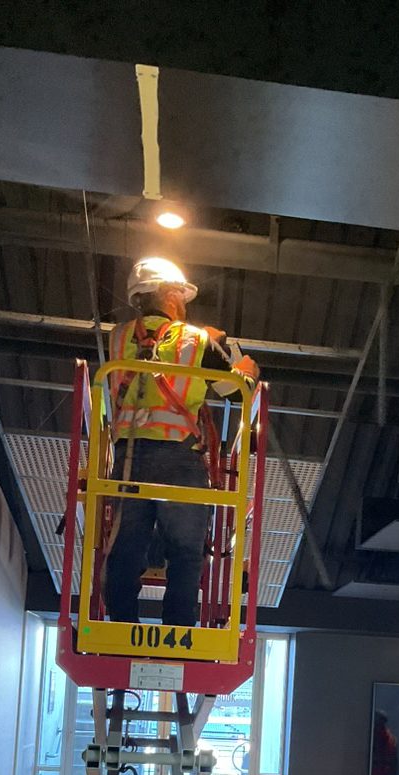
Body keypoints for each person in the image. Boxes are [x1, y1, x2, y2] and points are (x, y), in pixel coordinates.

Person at [105, 256, 259, 627]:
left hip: (128, 456)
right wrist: (246, 370)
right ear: (169, 292)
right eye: (182, 295)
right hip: (177, 459)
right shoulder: (195, 339)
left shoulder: (119, 336)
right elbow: (236, 392)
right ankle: (178, 630)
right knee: (187, 551)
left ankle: (121, 626)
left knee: (125, 548)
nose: (185, 303)